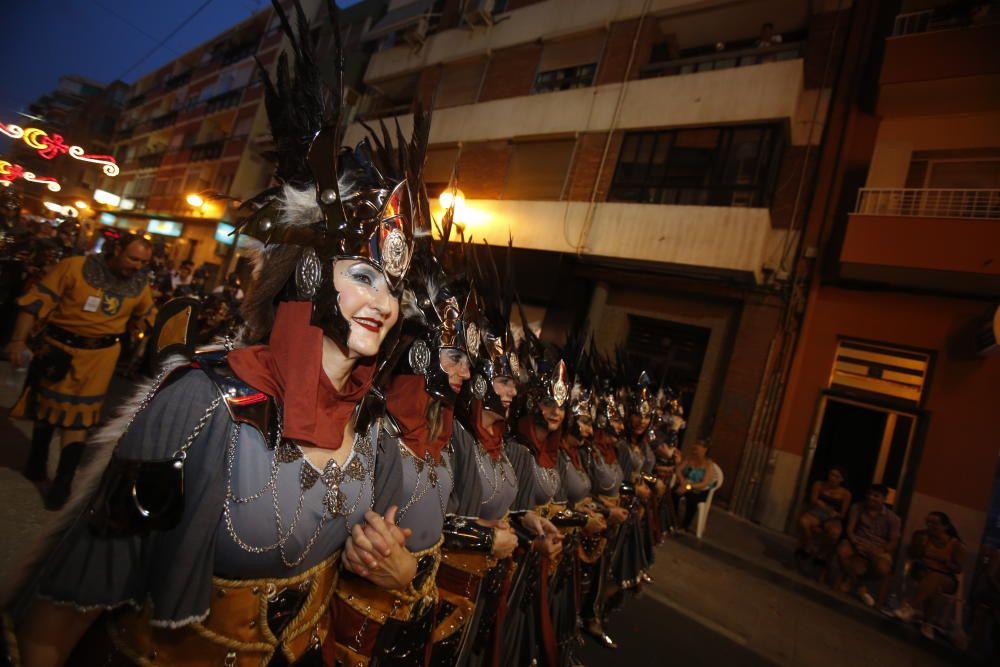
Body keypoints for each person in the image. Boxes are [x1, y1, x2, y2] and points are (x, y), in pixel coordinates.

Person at [0, 3, 427, 665]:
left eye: (394, 287)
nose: (385, 302)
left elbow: (358, 588)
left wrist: (395, 571)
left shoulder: (372, 431)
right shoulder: (199, 405)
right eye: (366, 275)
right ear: (310, 273)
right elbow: (55, 620)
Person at [5, 233, 155, 509]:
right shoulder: (74, 267)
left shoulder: (139, 283)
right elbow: (34, 303)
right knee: (47, 409)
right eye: (133, 258)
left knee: (78, 420)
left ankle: (63, 482)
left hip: (100, 359)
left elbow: (150, 316)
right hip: (58, 350)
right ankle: (36, 461)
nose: (137, 266)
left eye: (143, 262)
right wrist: (17, 340)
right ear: (117, 248)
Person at [895, 512, 966, 639]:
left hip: (946, 577)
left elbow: (958, 569)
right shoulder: (922, 536)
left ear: (945, 526)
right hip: (924, 571)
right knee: (934, 587)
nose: (930, 526)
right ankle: (927, 624)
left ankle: (910, 607)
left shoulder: (956, 545)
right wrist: (918, 545)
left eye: (934, 523)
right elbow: (912, 555)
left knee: (935, 578)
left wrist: (942, 560)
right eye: (928, 522)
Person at [835, 484, 902, 608]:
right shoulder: (857, 507)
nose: (871, 498)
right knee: (842, 551)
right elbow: (850, 529)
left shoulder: (893, 518)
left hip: (879, 547)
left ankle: (857, 581)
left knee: (883, 568)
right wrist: (855, 543)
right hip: (858, 540)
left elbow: (893, 542)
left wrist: (881, 550)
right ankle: (859, 585)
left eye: (876, 496)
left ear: (884, 499)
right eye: (870, 495)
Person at [796, 467, 852, 570]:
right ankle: (810, 544)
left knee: (834, 533)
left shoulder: (845, 494)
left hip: (832, 518)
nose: (833, 478)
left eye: (837, 476)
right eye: (831, 474)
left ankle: (821, 554)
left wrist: (835, 514)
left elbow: (843, 515)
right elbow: (813, 500)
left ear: (841, 479)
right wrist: (821, 505)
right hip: (817, 513)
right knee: (803, 522)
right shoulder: (819, 484)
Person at [671, 438, 718, 534]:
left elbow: (704, 483)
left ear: (705, 449)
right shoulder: (690, 458)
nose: (695, 446)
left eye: (699, 445)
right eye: (696, 444)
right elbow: (678, 470)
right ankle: (673, 520)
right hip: (685, 484)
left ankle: (685, 526)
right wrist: (683, 481)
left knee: (692, 499)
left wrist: (688, 486)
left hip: (699, 489)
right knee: (674, 492)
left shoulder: (709, 464)